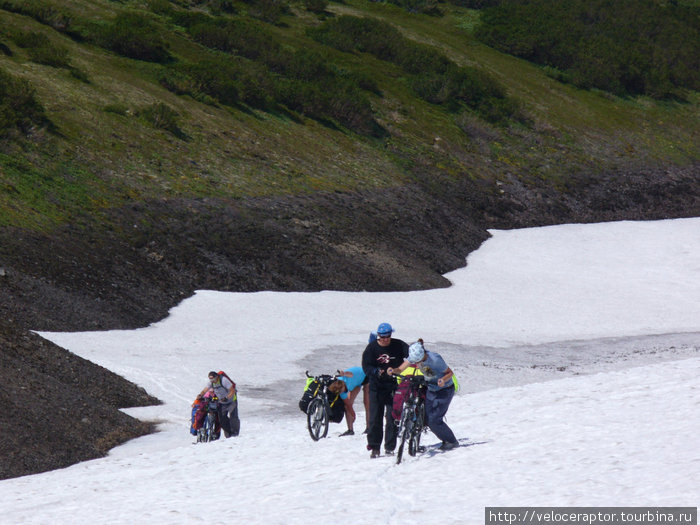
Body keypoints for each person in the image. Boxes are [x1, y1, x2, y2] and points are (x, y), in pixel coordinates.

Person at [389, 339, 459, 451]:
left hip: (444, 390)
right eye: (415, 361)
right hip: (431, 388)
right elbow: (401, 369)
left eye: (419, 361)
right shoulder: (415, 356)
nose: (417, 363)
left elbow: (450, 373)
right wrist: (393, 370)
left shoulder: (435, 359)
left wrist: (442, 380)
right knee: (425, 417)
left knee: (434, 419)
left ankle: (451, 441)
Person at [361, 322, 408, 458]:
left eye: (388, 336)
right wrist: (377, 371)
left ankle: (390, 447)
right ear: (378, 336)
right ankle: (375, 447)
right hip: (376, 387)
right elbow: (366, 367)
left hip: (393, 386)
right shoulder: (371, 349)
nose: (386, 339)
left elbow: (412, 354)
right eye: (383, 337)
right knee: (375, 418)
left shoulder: (398, 345)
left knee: (392, 416)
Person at [195, 371, 240, 438]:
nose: (212, 381)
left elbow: (232, 390)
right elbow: (205, 390)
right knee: (222, 420)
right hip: (222, 402)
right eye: (210, 379)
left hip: (231, 400)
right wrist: (200, 395)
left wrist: (227, 398)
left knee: (233, 417)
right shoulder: (211, 383)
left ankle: (235, 433)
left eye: (213, 379)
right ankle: (229, 434)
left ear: (217, 377)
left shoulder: (224, 380)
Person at [328, 366, 369, 436]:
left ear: (343, 386)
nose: (341, 393)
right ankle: (350, 430)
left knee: (367, 403)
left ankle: (369, 428)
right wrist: (353, 414)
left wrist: (353, 414)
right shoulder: (341, 391)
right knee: (347, 407)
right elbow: (348, 405)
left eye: (341, 391)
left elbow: (351, 374)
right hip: (356, 382)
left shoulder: (347, 381)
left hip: (366, 376)